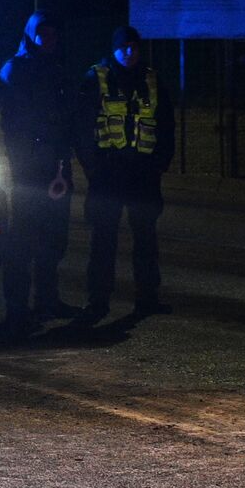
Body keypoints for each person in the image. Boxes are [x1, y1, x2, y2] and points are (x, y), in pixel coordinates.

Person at [74, 25, 175, 324]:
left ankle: (147, 298)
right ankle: (97, 301)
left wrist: (160, 163)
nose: (130, 52)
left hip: (143, 174)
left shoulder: (151, 78)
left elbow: (166, 124)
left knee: (146, 240)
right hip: (108, 173)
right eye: (124, 47)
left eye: (134, 47)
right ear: (114, 48)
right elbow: (82, 128)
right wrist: (92, 167)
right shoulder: (96, 78)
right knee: (103, 241)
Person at [0, 10, 78, 334]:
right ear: (32, 35)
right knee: (23, 241)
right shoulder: (16, 69)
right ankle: (16, 308)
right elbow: (13, 124)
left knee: (54, 239)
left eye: (53, 34)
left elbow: (66, 114)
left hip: (57, 165)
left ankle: (48, 299)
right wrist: (26, 160)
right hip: (30, 168)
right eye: (42, 34)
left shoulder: (58, 68)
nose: (48, 40)